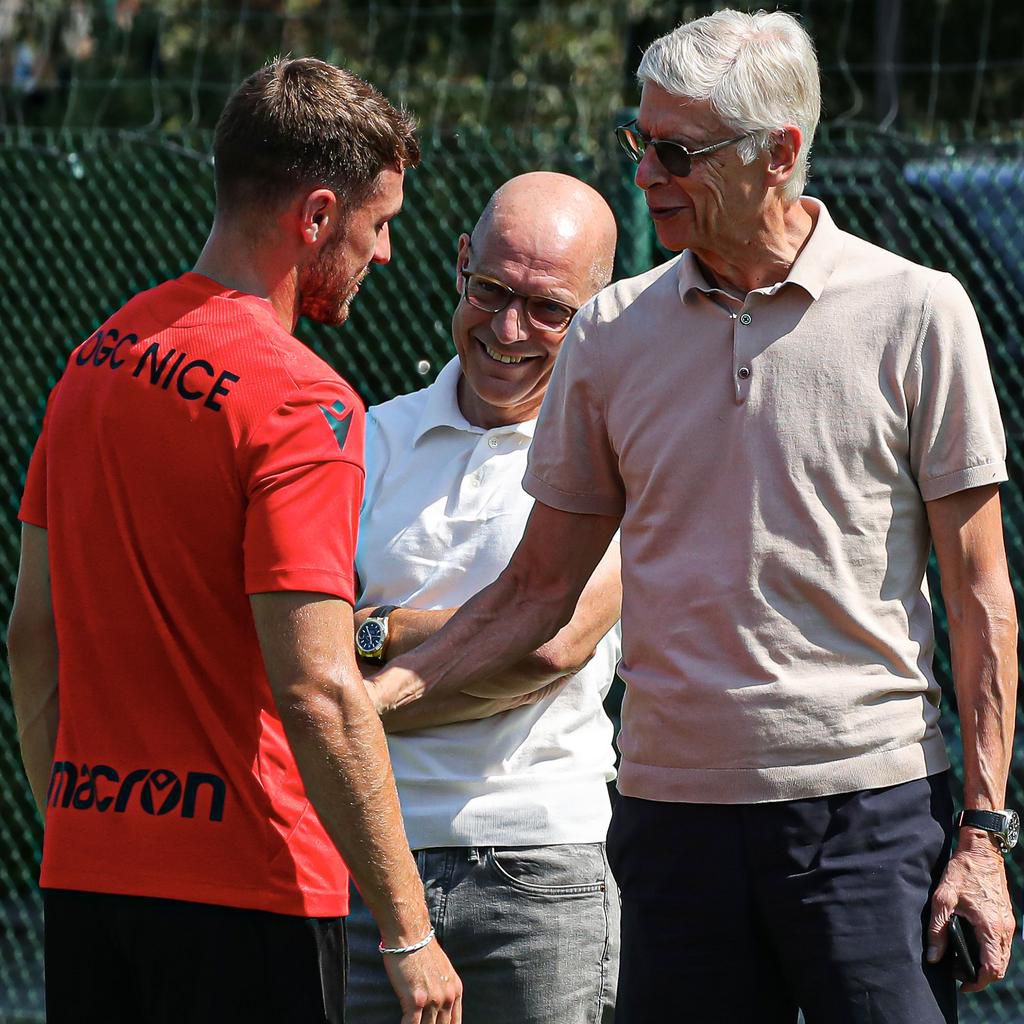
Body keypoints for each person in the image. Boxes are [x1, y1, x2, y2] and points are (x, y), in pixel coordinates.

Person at [365, 10, 1019, 1024]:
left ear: (780, 154)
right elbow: (535, 591)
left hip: (868, 816)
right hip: (671, 825)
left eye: (675, 151)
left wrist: (980, 836)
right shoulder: (609, 336)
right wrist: (372, 701)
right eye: (641, 142)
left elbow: (980, 598)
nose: (644, 174)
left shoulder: (917, 312)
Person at [7, 57, 461, 1024]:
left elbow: (30, 634)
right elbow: (320, 686)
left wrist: (78, 824)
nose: (384, 255)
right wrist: (409, 928)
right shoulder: (302, 401)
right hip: (249, 887)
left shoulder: (89, 366)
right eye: (378, 226)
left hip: (87, 875)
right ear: (317, 216)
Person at [344, 172, 622, 1024]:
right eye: (493, 290)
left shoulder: (618, 459)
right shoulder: (365, 439)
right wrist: (494, 622)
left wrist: (371, 642)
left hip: (541, 871)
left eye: (548, 309)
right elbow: (291, 644)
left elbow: (551, 645)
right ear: (461, 265)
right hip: (359, 862)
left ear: (599, 312)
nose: (509, 330)